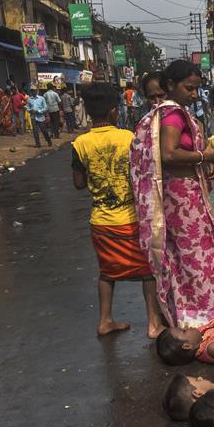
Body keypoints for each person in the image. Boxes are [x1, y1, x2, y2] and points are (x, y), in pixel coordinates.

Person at [130, 59, 214, 327]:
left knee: (192, 255)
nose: (194, 94)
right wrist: (203, 155)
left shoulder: (174, 112)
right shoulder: (172, 114)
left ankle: (196, 313)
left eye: (197, 89)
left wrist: (203, 161)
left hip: (185, 195)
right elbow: (169, 153)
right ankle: (199, 318)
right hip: (181, 198)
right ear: (171, 85)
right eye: (189, 88)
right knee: (196, 257)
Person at [71, 82, 163, 339]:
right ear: (114, 110)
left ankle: (105, 320)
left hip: (101, 220)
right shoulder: (129, 138)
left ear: (89, 112)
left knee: (107, 272)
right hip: (131, 218)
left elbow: (79, 184)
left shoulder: (80, 143)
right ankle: (154, 324)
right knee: (148, 271)